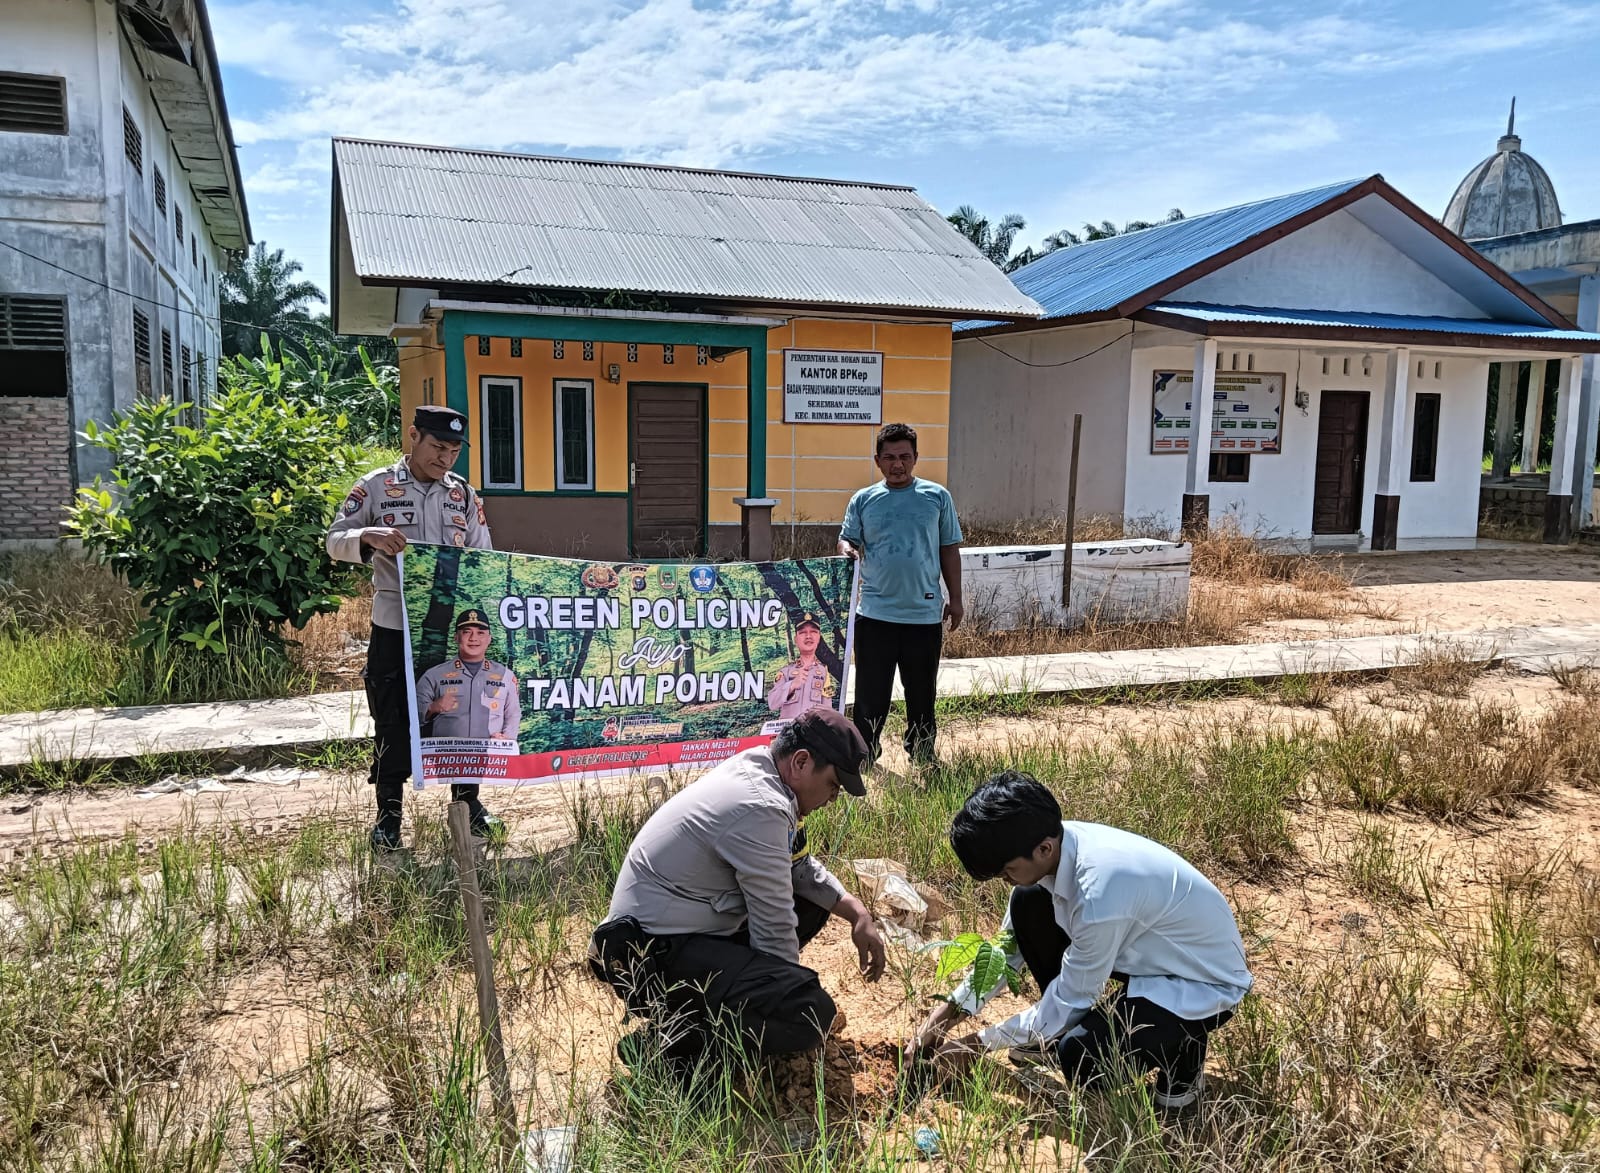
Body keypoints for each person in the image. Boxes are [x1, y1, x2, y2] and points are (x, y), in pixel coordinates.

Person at [907, 772, 1253, 1110]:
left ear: (1043, 849)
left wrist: (976, 1044)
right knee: (1027, 902)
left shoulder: (1099, 894)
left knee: (1082, 1058)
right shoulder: (1052, 844)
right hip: (1146, 950)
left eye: (1007, 871)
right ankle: (1052, 1033)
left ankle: (1184, 1057)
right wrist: (942, 1017)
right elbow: (1005, 953)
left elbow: (1072, 998)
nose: (1004, 880)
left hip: (1200, 980)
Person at [589, 709, 887, 1072]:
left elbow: (798, 868)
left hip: (676, 933)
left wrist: (856, 911)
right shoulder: (760, 805)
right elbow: (774, 929)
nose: (833, 798)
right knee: (810, 1015)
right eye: (833, 785)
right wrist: (786, 997)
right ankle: (668, 1050)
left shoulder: (769, 776)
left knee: (812, 903)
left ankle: (696, 1017)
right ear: (801, 762)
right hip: (645, 954)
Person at [326, 405, 503, 850]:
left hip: (451, 634)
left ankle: (468, 804)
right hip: (395, 625)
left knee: (463, 717)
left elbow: (483, 556)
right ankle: (388, 816)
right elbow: (334, 541)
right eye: (437, 447)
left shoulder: (463, 495)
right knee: (392, 718)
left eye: (454, 451)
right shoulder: (376, 486)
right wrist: (368, 537)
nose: (445, 458)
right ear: (413, 436)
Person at [837, 422, 963, 766]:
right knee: (870, 695)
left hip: (923, 616)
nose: (898, 465)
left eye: (905, 457)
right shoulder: (864, 500)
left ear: (916, 458)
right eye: (890, 457)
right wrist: (847, 549)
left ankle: (922, 753)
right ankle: (864, 754)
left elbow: (949, 548)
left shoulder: (937, 498)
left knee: (922, 693)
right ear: (877, 460)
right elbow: (847, 539)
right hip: (874, 615)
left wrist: (956, 599)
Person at [416, 610, 521, 740]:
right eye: (466, 632)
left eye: (480, 633)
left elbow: (513, 715)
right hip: (447, 752)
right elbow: (412, 717)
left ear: (489, 639)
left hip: (490, 751)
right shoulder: (433, 675)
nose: (473, 638)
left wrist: (506, 740)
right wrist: (432, 708)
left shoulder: (505, 676)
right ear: (456, 637)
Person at [766, 612, 837, 721]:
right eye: (803, 632)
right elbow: (772, 703)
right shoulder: (785, 672)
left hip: (813, 730)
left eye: (813, 632)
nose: (808, 636)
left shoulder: (824, 672)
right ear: (796, 639)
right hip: (788, 730)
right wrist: (792, 685)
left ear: (819, 638)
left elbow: (827, 711)